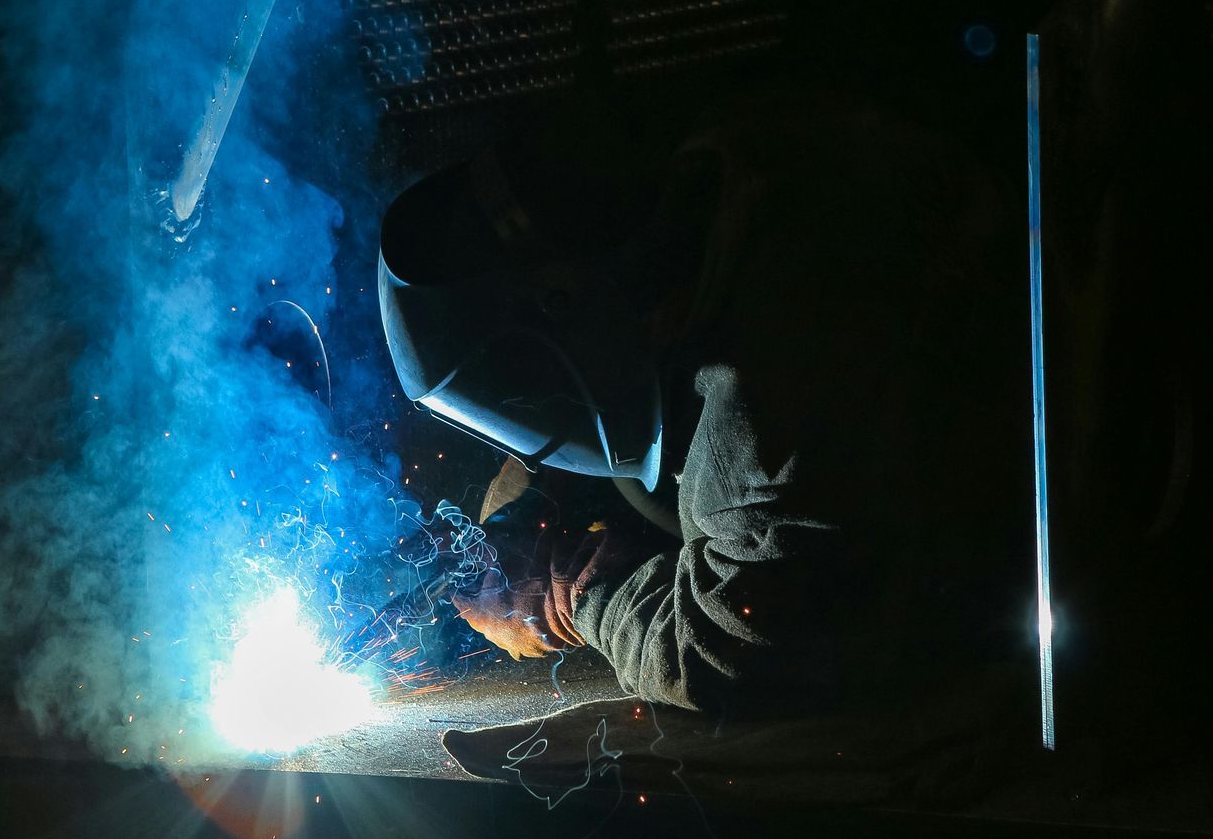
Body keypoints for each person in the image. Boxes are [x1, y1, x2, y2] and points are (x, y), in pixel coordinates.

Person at [378, 99, 1025, 725]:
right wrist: (534, 508)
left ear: (560, 307)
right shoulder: (717, 178)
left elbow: (733, 648)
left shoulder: (774, 369)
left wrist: (579, 596)